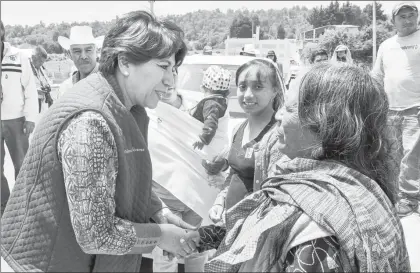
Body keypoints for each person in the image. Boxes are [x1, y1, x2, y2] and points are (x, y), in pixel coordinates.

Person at [1, 11, 201, 272]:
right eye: (163, 66)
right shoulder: (91, 121)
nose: (170, 80)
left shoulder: (130, 108)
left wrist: (159, 211)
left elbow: (125, 177)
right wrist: (160, 235)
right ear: (125, 62)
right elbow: (96, 234)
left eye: (174, 69)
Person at [197, 63, 410, 272]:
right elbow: (257, 227)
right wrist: (199, 238)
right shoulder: (361, 188)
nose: (278, 116)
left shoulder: (315, 230)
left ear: (325, 123)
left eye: (290, 108)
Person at [203, 59, 285, 224]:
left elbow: (276, 195)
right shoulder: (238, 129)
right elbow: (235, 173)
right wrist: (220, 202)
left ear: (275, 90)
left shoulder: (279, 134)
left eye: (258, 87)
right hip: (231, 225)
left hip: (255, 230)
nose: (248, 95)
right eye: (242, 87)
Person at [149, 70, 211, 272]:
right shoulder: (147, 110)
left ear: (176, 74)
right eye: (159, 76)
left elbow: (215, 148)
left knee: (197, 252)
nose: (166, 82)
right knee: (165, 257)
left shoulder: (200, 107)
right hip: (165, 199)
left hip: (196, 198)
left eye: (171, 73)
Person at [372, 1, 420, 217]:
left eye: (412, 15)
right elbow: (377, 76)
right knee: (392, 155)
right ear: (393, 21)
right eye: (403, 16)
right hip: (390, 111)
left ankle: (410, 199)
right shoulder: (386, 45)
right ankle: (394, 197)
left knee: (411, 155)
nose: (408, 19)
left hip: (415, 108)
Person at [1, 20, 38, 216]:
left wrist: (31, 117)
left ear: (2, 31)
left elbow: (30, 88)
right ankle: (5, 208)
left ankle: (23, 207)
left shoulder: (18, 56)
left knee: (22, 165)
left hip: (16, 119)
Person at [191, 65, 231, 154]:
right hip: (220, 145)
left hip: (209, 148)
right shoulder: (222, 101)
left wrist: (203, 139)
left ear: (204, 87)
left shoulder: (211, 103)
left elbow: (211, 123)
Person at [56, 26, 103, 99]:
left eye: (88, 50)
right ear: (70, 54)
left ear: (96, 52)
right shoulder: (65, 89)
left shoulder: (108, 82)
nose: (83, 56)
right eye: (77, 51)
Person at [30, 45, 53, 113]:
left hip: (41, 103)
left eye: (43, 62)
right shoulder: (26, 67)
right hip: (31, 104)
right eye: (40, 61)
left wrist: (48, 87)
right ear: (33, 57)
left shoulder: (40, 68)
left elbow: (45, 80)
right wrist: (36, 90)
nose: (42, 64)